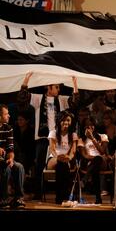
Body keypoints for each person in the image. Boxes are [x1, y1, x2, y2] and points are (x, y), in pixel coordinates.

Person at [18, 72, 79, 200]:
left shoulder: (61, 100)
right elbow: (22, 98)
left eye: (58, 87)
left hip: (57, 138)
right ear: (48, 87)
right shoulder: (38, 98)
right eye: (56, 87)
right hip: (42, 137)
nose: (58, 89)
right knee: (39, 166)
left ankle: (61, 193)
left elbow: (75, 103)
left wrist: (75, 84)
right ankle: (39, 194)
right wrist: (26, 81)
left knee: (61, 164)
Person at [46, 110, 78, 204]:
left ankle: (60, 197)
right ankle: (65, 196)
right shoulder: (53, 133)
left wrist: (68, 158)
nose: (66, 122)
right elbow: (52, 149)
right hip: (54, 158)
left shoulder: (73, 135)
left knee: (63, 165)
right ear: (59, 121)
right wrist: (59, 157)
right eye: (63, 120)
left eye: (68, 120)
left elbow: (73, 151)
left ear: (71, 122)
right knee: (61, 163)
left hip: (67, 159)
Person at [78, 117, 110, 204]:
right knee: (95, 168)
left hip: (102, 163)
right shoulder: (81, 140)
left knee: (98, 159)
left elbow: (102, 151)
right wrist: (95, 158)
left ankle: (85, 179)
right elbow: (84, 155)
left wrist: (92, 138)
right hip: (90, 163)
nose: (90, 128)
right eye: (87, 126)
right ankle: (98, 199)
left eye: (91, 125)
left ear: (95, 126)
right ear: (83, 128)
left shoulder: (103, 136)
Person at [0, 104, 26, 208]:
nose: (9, 116)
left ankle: (18, 198)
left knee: (18, 166)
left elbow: (11, 149)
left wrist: (11, 159)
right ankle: (4, 198)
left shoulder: (8, 128)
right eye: (6, 114)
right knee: (5, 168)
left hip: (4, 159)